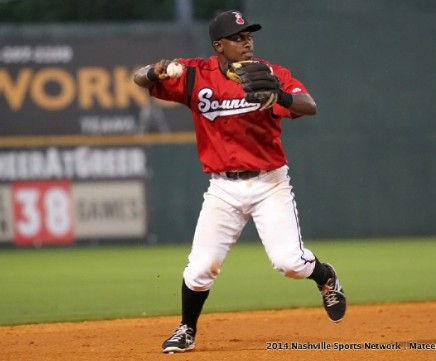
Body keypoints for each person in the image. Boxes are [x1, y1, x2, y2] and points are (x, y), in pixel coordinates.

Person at [133, 10, 346, 354]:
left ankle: (325, 277)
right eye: (237, 37)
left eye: (249, 35)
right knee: (201, 267)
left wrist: (280, 96)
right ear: (218, 45)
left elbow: (310, 106)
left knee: (289, 263)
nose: (246, 41)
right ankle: (186, 329)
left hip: (269, 183)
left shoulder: (270, 74)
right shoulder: (193, 75)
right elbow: (140, 80)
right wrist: (153, 70)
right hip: (223, 188)